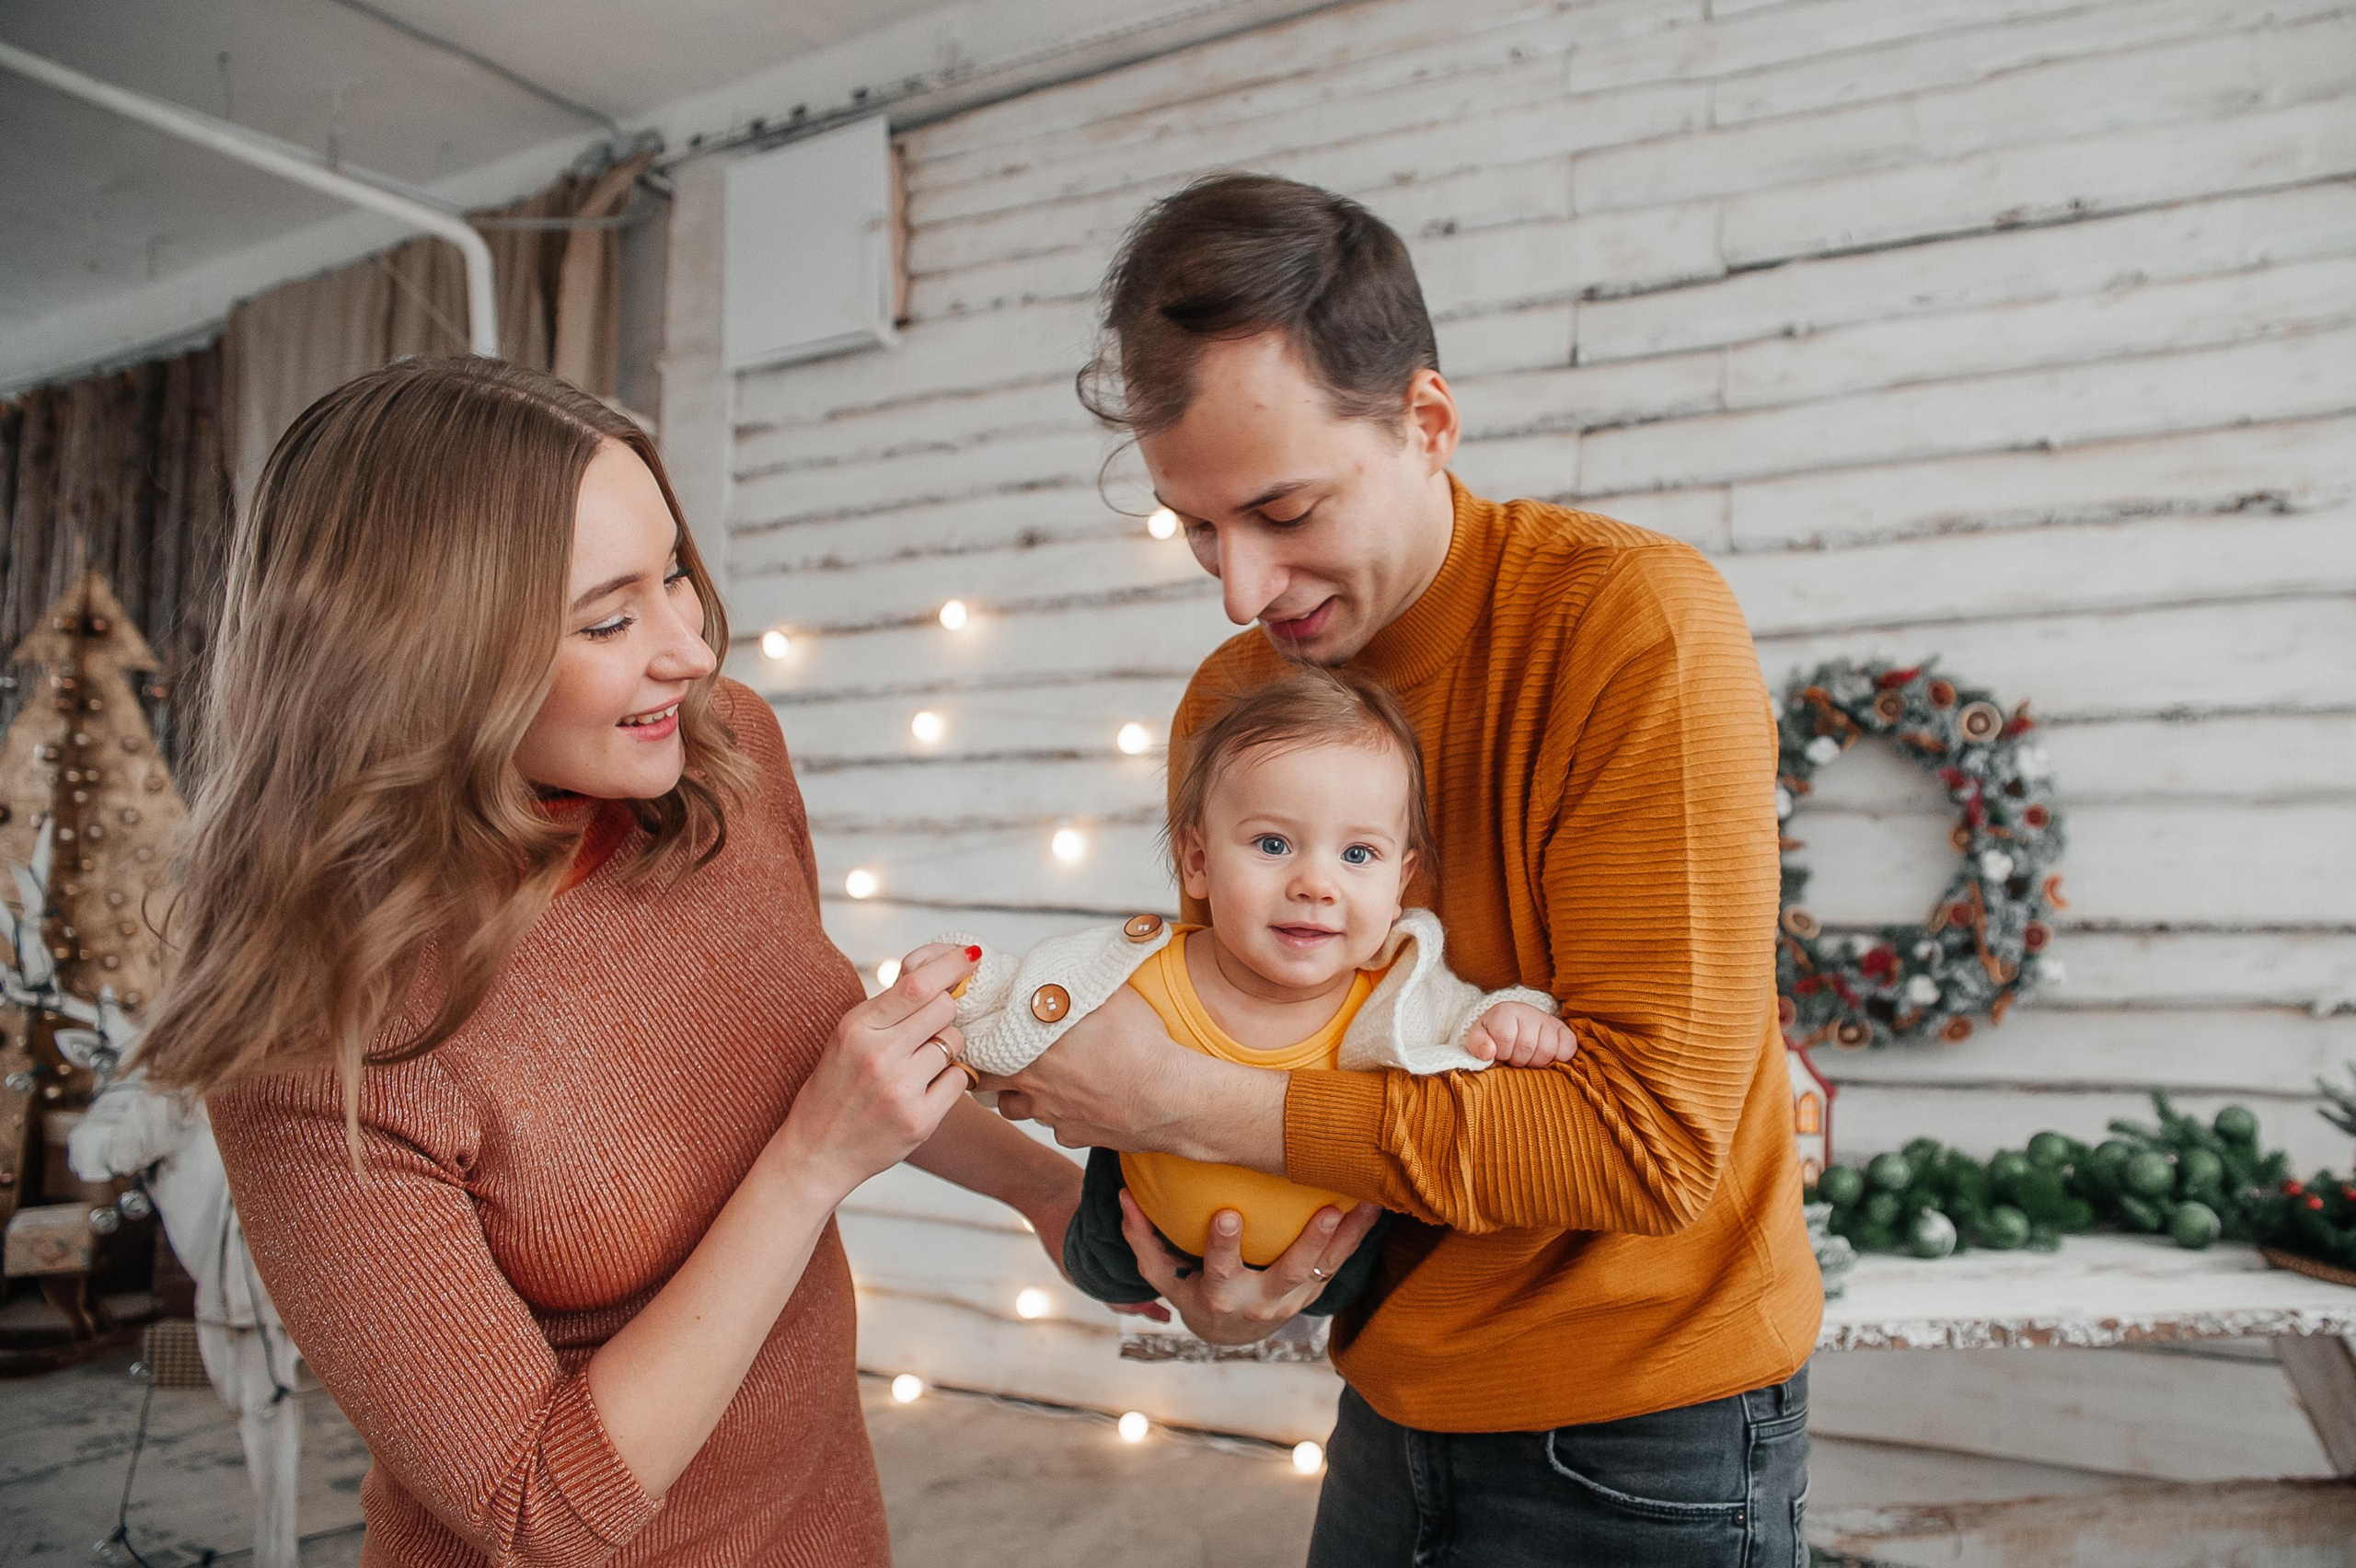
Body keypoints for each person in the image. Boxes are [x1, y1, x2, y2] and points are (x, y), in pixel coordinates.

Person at [135, 356, 1097, 1568]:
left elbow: (806, 1048)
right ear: (424, 660)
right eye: (609, 617)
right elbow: (535, 1512)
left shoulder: (720, 756)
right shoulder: (315, 1041)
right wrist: (809, 1164)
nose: (688, 651)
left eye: (676, 575)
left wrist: (1049, 1193)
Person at [988, 173, 1822, 1564]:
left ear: (1427, 422)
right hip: (1385, 1396)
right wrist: (1228, 1277)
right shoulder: (1230, 701)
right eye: (1195, 527)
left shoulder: (1632, 626)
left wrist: (1189, 1102)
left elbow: (1649, 1145)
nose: (1243, 589)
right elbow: (1266, 1042)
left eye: (1285, 508)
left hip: (1650, 1429)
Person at [941, 667, 1574, 1317]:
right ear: (1198, 861)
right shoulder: (1142, 970)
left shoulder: (1401, 987)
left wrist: (1514, 1018)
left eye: (1358, 856)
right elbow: (1038, 1004)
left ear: (1401, 881)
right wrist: (974, 980)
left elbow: (1465, 1030)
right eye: (1273, 844)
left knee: (1391, 1273)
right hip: (1141, 1224)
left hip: (1337, 1259)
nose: (1316, 884)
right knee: (1101, 1261)